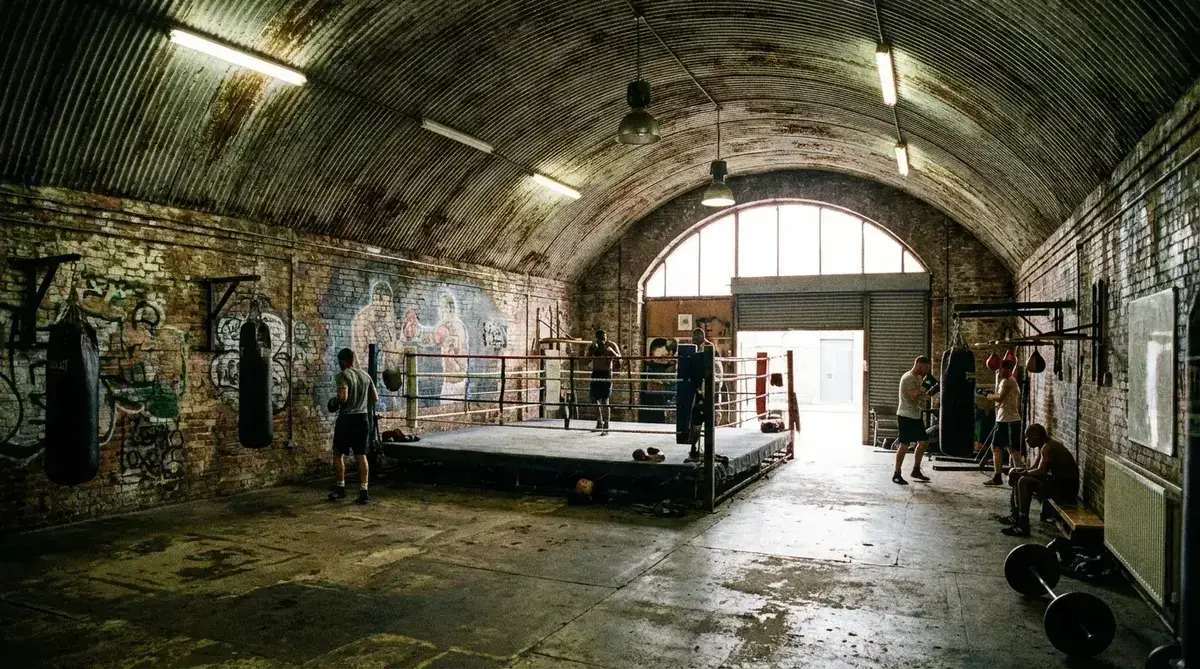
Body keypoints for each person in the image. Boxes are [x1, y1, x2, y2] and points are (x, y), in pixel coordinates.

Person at [1000, 424, 1079, 536]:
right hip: (1059, 483)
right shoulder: (1044, 446)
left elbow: (1040, 471)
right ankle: (1016, 515)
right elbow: (1034, 468)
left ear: (1036, 437)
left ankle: (1023, 523)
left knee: (1024, 481)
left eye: (1028, 437)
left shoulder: (1048, 447)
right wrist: (1017, 471)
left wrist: (1023, 473)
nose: (1026, 440)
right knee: (1018, 475)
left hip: (1065, 489)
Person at [327, 348, 378, 504]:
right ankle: (364, 492)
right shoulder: (365, 375)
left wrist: (334, 402)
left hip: (347, 419)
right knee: (361, 455)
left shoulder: (343, 375)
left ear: (343, 361)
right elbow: (374, 398)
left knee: (338, 454)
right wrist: (361, 403)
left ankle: (340, 488)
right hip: (362, 419)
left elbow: (342, 397)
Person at [894, 355, 934, 485]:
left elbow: (921, 395)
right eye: (925, 368)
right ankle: (897, 473)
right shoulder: (909, 377)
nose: (926, 371)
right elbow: (914, 396)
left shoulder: (918, 377)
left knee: (923, 442)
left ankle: (916, 470)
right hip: (905, 415)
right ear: (919, 365)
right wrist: (926, 387)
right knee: (904, 445)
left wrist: (928, 394)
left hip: (915, 415)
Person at [984, 359, 1023, 485]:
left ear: (1010, 370)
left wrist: (987, 396)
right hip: (1003, 419)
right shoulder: (1005, 381)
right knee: (995, 447)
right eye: (1001, 369)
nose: (1002, 371)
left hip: (1010, 420)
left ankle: (1019, 476)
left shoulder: (1008, 381)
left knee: (1013, 450)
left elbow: (999, 398)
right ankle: (997, 476)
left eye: (1005, 369)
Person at [687, 328, 714, 462]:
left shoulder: (709, 349)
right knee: (695, 419)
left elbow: (715, 370)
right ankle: (694, 447)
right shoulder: (693, 350)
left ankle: (703, 448)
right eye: (693, 339)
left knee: (703, 418)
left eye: (696, 339)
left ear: (702, 338)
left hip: (706, 389)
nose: (694, 341)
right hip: (696, 388)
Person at [587, 330, 621, 433]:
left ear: (606, 337)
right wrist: (590, 352)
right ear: (597, 338)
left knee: (605, 400)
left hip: (607, 373)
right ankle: (599, 421)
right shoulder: (594, 346)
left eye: (604, 338)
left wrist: (613, 353)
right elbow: (585, 361)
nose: (602, 340)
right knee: (594, 398)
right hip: (596, 372)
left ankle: (606, 424)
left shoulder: (611, 345)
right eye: (600, 338)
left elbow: (620, 359)